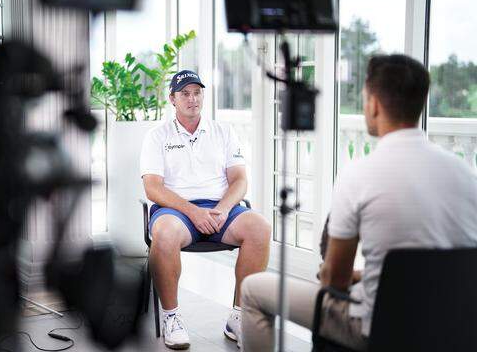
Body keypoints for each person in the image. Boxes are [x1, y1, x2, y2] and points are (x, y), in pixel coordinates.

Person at [239, 54, 477, 351]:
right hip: (454, 327)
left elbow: (334, 281)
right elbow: (436, 266)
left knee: (252, 290)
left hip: (378, 329)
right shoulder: (466, 175)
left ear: (374, 104)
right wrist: (365, 275)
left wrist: (344, 277)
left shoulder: (360, 174)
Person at [140, 70, 271, 349]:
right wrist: (192, 211)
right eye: (185, 93)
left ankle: (239, 316)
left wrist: (222, 210)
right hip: (176, 211)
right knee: (162, 233)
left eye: (197, 92)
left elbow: (239, 180)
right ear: (172, 99)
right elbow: (153, 188)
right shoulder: (156, 136)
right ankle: (171, 317)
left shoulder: (224, 131)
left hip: (220, 210)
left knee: (260, 228)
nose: (192, 99)